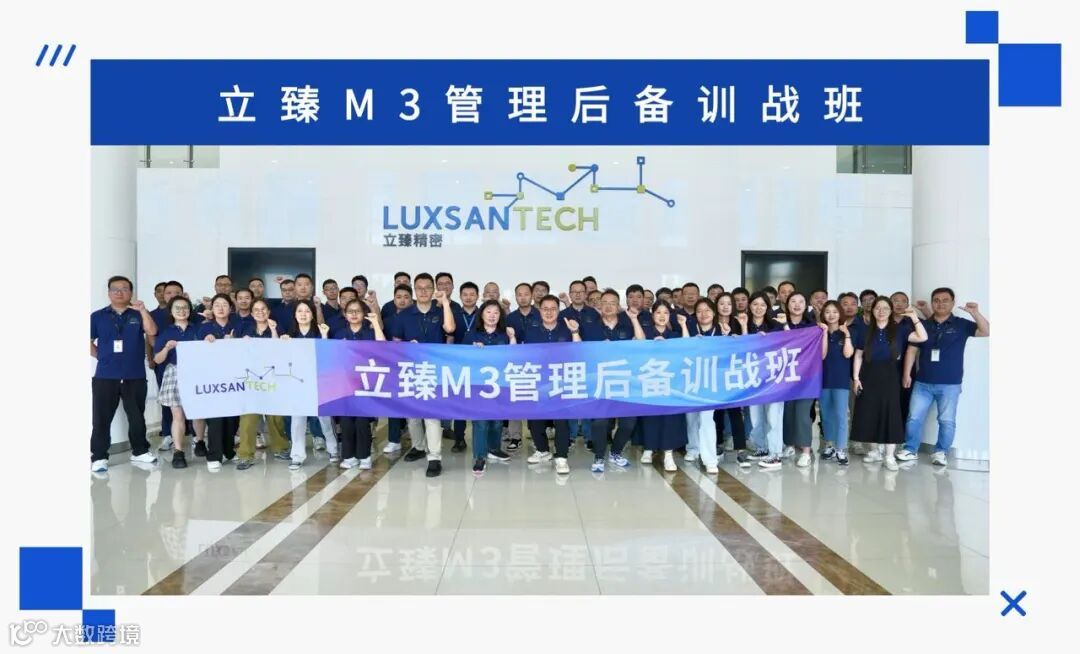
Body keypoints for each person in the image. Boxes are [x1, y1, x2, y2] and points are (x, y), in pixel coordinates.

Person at [899, 288, 989, 466]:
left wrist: (975, 313)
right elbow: (911, 350)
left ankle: (941, 452)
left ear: (953, 303)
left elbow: (986, 331)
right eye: (936, 300)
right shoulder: (923, 324)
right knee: (914, 417)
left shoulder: (961, 324)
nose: (940, 303)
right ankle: (910, 449)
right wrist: (906, 374)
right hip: (923, 382)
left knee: (946, 420)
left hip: (950, 384)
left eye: (945, 300)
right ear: (932, 303)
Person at [90, 276, 160, 474]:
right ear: (109, 292)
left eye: (124, 289)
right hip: (106, 376)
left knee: (137, 417)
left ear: (131, 292)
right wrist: (101, 357)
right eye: (115, 289)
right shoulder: (97, 316)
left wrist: (143, 310)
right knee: (101, 419)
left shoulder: (137, 314)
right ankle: (99, 457)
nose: (119, 292)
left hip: (134, 374)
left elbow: (152, 331)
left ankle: (140, 451)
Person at [391, 273, 456, 477]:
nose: (423, 291)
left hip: (434, 370)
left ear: (434, 289)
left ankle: (434, 457)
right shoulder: (404, 315)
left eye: (428, 287)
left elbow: (450, 329)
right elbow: (395, 343)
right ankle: (418, 446)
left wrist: (445, 303)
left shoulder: (441, 310)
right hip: (411, 369)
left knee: (431, 415)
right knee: (412, 415)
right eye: (419, 288)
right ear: (414, 290)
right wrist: (407, 347)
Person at [852, 297, 927, 471]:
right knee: (869, 414)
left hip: (891, 376)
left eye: (885, 308)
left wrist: (914, 317)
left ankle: (889, 456)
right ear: (872, 310)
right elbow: (858, 356)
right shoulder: (865, 331)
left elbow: (922, 337)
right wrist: (856, 378)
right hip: (868, 376)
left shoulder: (900, 330)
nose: (881, 311)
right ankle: (874, 451)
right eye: (878, 308)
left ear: (891, 311)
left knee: (890, 414)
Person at [581, 289, 642, 473]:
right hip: (600, 382)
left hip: (624, 381)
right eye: (604, 303)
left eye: (612, 303)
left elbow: (642, 344)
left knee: (628, 422)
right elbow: (581, 352)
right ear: (599, 305)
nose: (608, 306)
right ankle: (599, 456)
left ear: (618, 306)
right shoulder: (590, 327)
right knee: (600, 422)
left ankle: (615, 452)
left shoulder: (627, 325)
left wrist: (634, 319)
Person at [522, 295, 582, 474]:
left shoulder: (567, 328)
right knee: (535, 419)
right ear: (539, 311)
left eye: (553, 309)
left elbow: (579, 351)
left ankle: (561, 457)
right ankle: (542, 451)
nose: (549, 312)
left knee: (561, 420)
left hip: (561, 380)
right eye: (545, 309)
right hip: (538, 381)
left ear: (558, 310)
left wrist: (575, 332)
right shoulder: (531, 331)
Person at [280, 300, 338, 470]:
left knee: (325, 419)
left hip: (319, 383)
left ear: (313, 315)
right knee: (297, 421)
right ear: (295, 315)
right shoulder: (289, 336)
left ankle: (333, 449)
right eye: (300, 311)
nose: (303, 314)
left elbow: (328, 357)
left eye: (307, 311)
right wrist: (282, 342)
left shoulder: (320, 333)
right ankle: (297, 455)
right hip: (297, 384)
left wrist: (325, 337)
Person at [235, 299, 291, 470]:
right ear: (252, 313)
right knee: (248, 418)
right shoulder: (246, 329)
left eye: (263, 309)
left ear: (268, 311)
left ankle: (280, 448)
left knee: (275, 417)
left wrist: (274, 331)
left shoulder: (278, 327)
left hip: (273, 378)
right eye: (256, 310)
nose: (260, 312)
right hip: (251, 380)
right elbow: (238, 353)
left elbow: (280, 351)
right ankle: (245, 455)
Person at [463, 300, 517, 475]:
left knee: (497, 420)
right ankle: (480, 457)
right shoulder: (471, 334)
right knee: (480, 422)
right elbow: (460, 358)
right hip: (478, 386)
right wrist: (472, 351)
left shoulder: (504, 335)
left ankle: (494, 449)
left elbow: (515, 357)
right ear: (482, 315)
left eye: (496, 312)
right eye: (488, 312)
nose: (492, 315)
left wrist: (512, 338)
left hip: (500, 385)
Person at [332, 298, 386, 469]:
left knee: (362, 421)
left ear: (364, 314)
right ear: (345, 314)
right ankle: (349, 456)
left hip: (365, 382)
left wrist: (375, 323)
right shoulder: (340, 334)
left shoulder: (369, 332)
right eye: (350, 311)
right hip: (344, 383)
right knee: (346, 421)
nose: (354, 314)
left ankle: (364, 456)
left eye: (358, 311)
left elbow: (383, 346)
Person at [152, 294, 202, 469]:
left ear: (190, 310)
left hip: (197, 373)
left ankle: (200, 441)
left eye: (185, 307)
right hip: (174, 373)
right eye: (177, 308)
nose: (182, 311)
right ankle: (179, 452)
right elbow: (157, 359)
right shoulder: (166, 332)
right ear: (171, 311)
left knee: (198, 412)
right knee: (178, 415)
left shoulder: (198, 329)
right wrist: (167, 348)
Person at [639, 301, 689, 472]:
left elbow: (687, 346)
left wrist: (683, 325)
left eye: (666, 313)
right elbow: (638, 347)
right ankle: (648, 448)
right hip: (650, 381)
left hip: (671, 383)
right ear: (652, 315)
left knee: (670, 417)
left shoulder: (674, 335)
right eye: (658, 312)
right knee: (650, 416)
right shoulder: (646, 333)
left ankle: (668, 453)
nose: (662, 316)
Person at [197, 294, 241, 471]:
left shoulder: (238, 326)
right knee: (215, 417)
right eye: (217, 305)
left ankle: (228, 451)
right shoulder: (205, 328)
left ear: (231, 308)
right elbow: (198, 351)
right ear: (212, 309)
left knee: (232, 418)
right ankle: (214, 454)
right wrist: (207, 341)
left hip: (234, 379)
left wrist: (236, 342)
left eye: (224, 305)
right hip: (213, 380)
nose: (221, 308)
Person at [683, 298, 727, 473]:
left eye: (707, 310)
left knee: (707, 419)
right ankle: (693, 449)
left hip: (710, 382)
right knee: (691, 418)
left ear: (714, 313)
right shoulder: (690, 329)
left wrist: (726, 339)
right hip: (691, 380)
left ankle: (710, 458)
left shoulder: (721, 331)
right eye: (699, 311)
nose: (703, 314)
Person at [744, 292, 786, 470]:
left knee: (773, 416)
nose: (758, 308)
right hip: (753, 378)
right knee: (756, 416)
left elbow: (788, 343)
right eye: (755, 304)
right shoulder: (744, 324)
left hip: (773, 379)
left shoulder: (775, 325)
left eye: (762, 305)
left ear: (768, 307)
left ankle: (775, 454)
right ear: (749, 306)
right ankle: (761, 447)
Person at [780, 292, 819, 468]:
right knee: (788, 412)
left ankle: (805, 451)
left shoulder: (813, 327)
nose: (797, 305)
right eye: (793, 301)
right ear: (787, 304)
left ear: (806, 305)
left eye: (801, 301)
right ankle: (789, 444)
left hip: (807, 377)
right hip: (785, 377)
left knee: (803, 413)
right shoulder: (778, 324)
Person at [559, 281, 600, 449]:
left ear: (586, 294)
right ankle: (571, 435)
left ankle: (589, 436)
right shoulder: (562, 314)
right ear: (570, 294)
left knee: (588, 399)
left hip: (590, 363)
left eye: (581, 291)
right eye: (574, 292)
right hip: (569, 363)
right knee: (571, 399)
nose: (577, 294)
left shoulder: (594, 313)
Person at [712, 292, 751, 468]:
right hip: (715, 372)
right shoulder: (712, 323)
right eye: (722, 303)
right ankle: (718, 444)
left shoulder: (738, 322)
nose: (725, 306)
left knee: (735, 412)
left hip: (734, 373)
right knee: (717, 412)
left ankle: (741, 448)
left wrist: (743, 327)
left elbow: (747, 346)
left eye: (729, 303)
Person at [505, 282, 541, 451]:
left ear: (532, 295)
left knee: (536, 401)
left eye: (526, 294)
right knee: (515, 400)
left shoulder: (540, 314)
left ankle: (536, 436)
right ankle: (515, 436)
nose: (523, 297)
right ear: (516, 297)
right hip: (516, 364)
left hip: (537, 364)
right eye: (519, 294)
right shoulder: (510, 318)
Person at [818, 300, 855, 465]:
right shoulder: (820, 332)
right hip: (823, 380)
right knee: (826, 415)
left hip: (841, 381)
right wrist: (825, 333)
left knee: (841, 416)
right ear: (823, 315)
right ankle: (830, 445)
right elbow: (822, 355)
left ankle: (841, 448)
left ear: (840, 314)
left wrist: (846, 334)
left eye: (835, 312)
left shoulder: (846, 332)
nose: (831, 315)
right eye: (827, 312)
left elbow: (848, 354)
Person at [448, 281, 481, 452]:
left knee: (478, 400)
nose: (468, 298)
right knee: (459, 401)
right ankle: (459, 438)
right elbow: (448, 335)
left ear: (477, 296)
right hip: (457, 363)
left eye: (472, 294)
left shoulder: (484, 314)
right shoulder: (453, 314)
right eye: (465, 295)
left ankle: (480, 438)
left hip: (478, 364)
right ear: (460, 296)